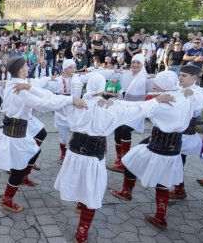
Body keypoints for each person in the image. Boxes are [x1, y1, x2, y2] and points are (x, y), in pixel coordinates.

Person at [51, 73, 169, 243]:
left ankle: (80, 206)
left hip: (74, 153)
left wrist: (70, 99)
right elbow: (138, 108)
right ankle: (81, 232)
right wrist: (157, 100)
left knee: (78, 181)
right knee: (92, 191)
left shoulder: (74, 104)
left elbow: (49, 101)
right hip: (93, 155)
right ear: (103, 87)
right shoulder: (111, 107)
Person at [0, 57, 87, 212]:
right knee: (18, 169)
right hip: (16, 135)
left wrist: (0, 84)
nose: (28, 68)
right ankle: (7, 199)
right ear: (21, 70)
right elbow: (44, 105)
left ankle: (22, 178)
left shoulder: (12, 84)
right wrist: (70, 100)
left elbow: (36, 89)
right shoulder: (18, 89)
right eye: (26, 66)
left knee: (34, 151)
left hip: (15, 132)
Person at [109, 71, 195, 229]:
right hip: (174, 147)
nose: (154, 84)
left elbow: (138, 108)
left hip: (158, 146)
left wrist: (113, 103)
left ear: (166, 85)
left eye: (158, 82)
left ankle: (126, 192)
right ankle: (160, 216)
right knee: (164, 180)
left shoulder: (163, 102)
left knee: (129, 161)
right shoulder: (184, 96)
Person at [107, 54, 154, 173]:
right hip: (123, 108)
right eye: (134, 62)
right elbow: (108, 74)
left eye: (138, 63)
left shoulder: (146, 78)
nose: (135, 65)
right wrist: (114, 70)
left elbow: (158, 87)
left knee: (125, 129)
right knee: (117, 129)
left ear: (143, 64)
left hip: (136, 110)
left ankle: (125, 162)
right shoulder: (125, 74)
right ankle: (119, 159)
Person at [170, 65, 203, 199]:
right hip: (172, 133)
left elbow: (202, 99)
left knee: (179, 160)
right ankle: (178, 187)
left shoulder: (200, 91)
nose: (180, 77)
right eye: (180, 75)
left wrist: (192, 95)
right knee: (176, 160)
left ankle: (179, 189)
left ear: (194, 77)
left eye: (184, 76)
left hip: (185, 135)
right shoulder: (177, 87)